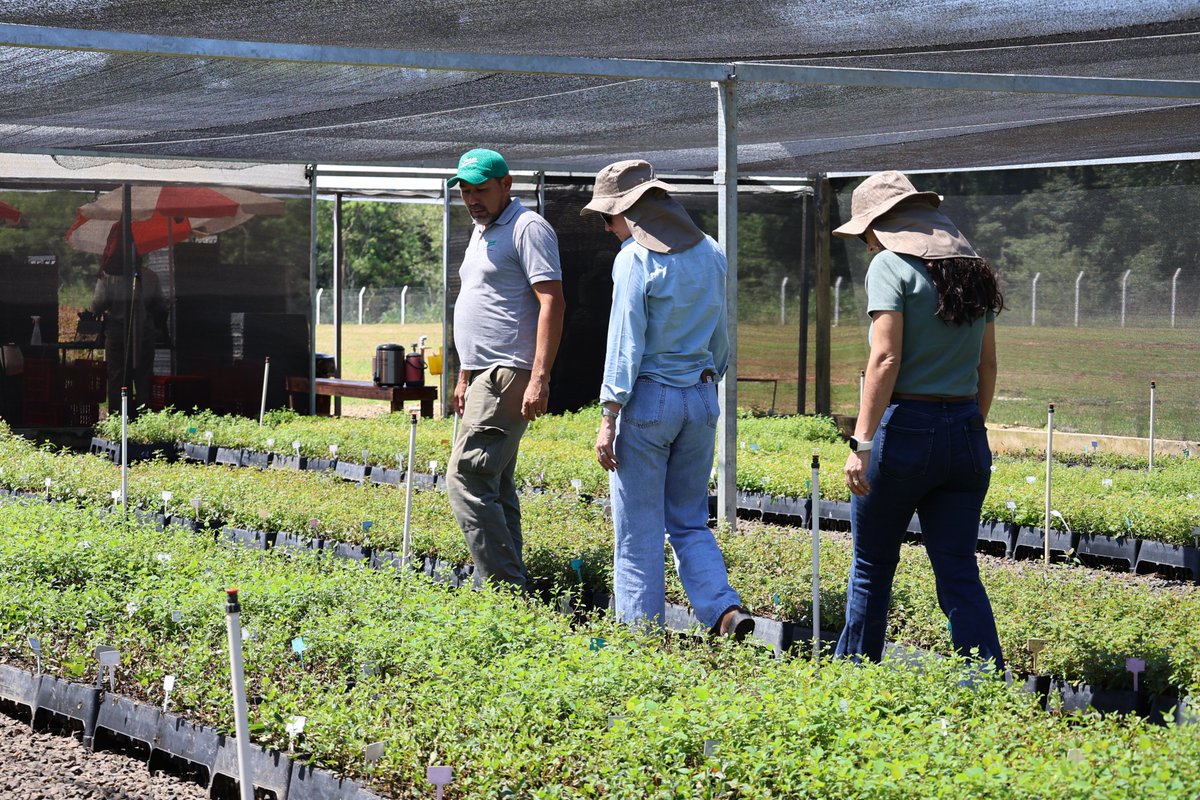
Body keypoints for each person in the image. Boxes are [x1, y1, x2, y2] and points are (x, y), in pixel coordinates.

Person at [832, 170, 1005, 669]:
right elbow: (987, 366)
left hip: (906, 428)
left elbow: (885, 359)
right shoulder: (974, 270)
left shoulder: (890, 265)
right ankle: (985, 679)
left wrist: (861, 443)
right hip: (966, 430)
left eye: (866, 232)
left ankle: (853, 678)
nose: (867, 243)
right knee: (958, 567)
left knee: (872, 564)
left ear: (883, 225)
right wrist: (972, 425)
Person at [587, 159, 753, 640]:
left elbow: (625, 342)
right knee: (689, 521)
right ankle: (724, 609)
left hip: (649, 402)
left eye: (608, 217)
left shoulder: (634, 259)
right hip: (700, 398)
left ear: (630, 213)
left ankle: (640, 644)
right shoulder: (711, 251)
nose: (607, 227)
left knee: (638, 532)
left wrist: (609, 415)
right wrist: (705, 380)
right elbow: (721, 337)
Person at [446, 148, 565, 591]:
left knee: (467, 478)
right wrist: (463, 374)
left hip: (507, 371)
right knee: (494, 481)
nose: (472, 199)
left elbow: (552, 302)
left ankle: (508, 590)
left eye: (481, 190)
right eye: (465, 191)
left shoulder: (527, 227)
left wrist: (539, 377)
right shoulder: (482, 229)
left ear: (506, 184)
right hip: (482, 373)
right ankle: (513, 582)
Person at [92, 225, 168, 416]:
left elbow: (97, 305)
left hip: (117, 335)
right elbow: (160, 307)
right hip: (144, 334)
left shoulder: (107, 277)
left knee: (117, 378)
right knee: (143, 378)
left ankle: (118, 418)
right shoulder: (149, 276)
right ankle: (143, 419)